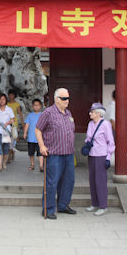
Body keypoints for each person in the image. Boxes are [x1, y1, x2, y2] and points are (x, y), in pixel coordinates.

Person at [36, 88, 76, 220]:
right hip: (54, 154)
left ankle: (63, 205)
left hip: (68, 153)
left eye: (68, 98)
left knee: (68, 181)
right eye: (64, 98)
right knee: (52, 182)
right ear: (57, 99)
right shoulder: (48, 113)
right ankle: (48, 209)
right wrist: (42, 146)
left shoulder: (68, 113)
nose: (67, 101)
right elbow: (38, 129)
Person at [84, 102, 115, 216]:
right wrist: (86, 145)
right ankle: (94, 203)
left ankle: (103, 206)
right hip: (91, 155)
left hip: (101, 155)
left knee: (100, 181)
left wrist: (108, 158)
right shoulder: (90, 124)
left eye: (92, 111)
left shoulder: (106, 124)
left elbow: (111, 142)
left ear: (98, 113)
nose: (90, 113)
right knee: (92, 180)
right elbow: (88, 138)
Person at [0, 93, 15, 172]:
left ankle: (4, 163)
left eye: (3, 99)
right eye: (0, 99)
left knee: (6, 148)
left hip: (6, 131)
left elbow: (13, 119)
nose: (2, 101)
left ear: (6, 100)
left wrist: (7, 123)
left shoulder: (9, 109)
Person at [23, 98, 44, 172]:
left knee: (40, 152)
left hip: (40, 138)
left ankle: (41, 165)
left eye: (38, 105)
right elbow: (27, 125)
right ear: (32, 106)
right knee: (31, 153)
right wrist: (25, 133)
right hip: (31, 138)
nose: (36, 107)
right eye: (35, 105)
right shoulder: (30, 115)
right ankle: (32, 164)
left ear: (41, 106)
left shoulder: (43, 115)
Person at [7, 89, 24, 163]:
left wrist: (23, 123)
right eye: (10, 95)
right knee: (8, 140)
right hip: (7, 124)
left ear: (14, 96)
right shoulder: (6, 104)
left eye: (12, 95)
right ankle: (10, 153)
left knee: (13, 140)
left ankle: (11, 153)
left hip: (14, 124)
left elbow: (20, 114)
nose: (11, 96)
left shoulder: (17, 104)